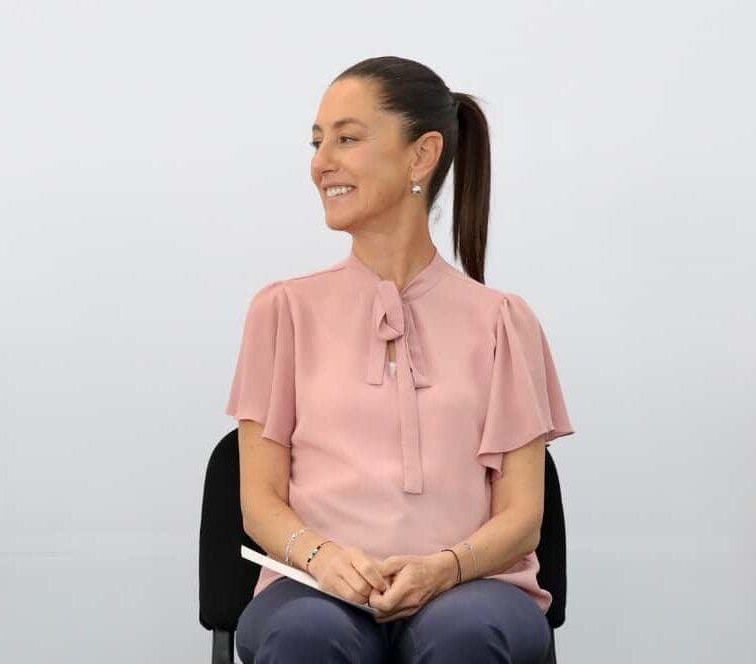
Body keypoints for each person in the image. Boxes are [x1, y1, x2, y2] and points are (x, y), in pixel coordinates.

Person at [227, 56, 573, 664]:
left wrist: (444, 569)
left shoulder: (502, 323)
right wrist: (323, 558)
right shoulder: (280, 313)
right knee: (307, 635)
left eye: (347, 138)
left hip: (474, 588)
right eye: (316, 141)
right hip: (313, 591)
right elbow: (259, 502)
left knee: (466, 635)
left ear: (421, 155)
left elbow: (522, 517)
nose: (321, 162)